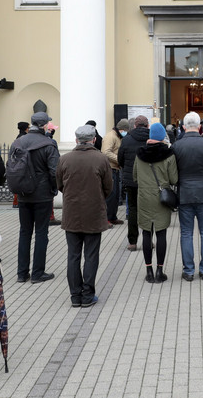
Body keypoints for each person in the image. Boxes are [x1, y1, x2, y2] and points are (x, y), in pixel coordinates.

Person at [56, 125, 112, 308]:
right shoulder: (101, 159)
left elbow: (60, 185)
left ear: (76, 139)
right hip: (93, 213)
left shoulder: (64, 159)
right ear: (94, 139)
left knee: (73, 255)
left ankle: (75, 295)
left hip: (72, 213)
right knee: (91, 255)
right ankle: (87, 294)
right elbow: (108, 187)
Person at [172, 111, 203, 281]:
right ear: (199, 127)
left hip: (185, 193)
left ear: (184, 127)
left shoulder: (176, 146)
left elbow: (173, 172)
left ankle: (188, 270)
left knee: (186, 232)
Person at [11, 111, 60, 283]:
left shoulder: (17, 142)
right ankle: (38, 273)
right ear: (45, 125)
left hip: (23, 193)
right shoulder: (48, 144)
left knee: (24, 233)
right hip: (42, 195)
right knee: (41, 233)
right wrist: (54, 189)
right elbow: (55, 172)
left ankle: (21, 273)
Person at [133, 122, 178, 283]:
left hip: (144, 197)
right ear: (162, 137)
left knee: (146, 232)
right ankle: (160, 270)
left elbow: (135, 176)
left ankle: (149, 271)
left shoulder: (139, 154)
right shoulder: (169, 155)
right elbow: (174, 179)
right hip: (161, 198)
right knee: (161, 233)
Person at [118, 115, 151, 251]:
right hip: (148, 181)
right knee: (148, 211)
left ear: (135, 126)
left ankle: (132, 242)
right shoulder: (151, 139)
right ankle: (148, 241)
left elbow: (120, 159)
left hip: (131, 180)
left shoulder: (127, 139)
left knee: (132, 209)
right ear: (147, 125)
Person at [102, 119, 128, 226]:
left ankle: (112, 217)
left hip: (116, 169)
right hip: (110, 168)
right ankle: (106, 219)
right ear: (121, 129)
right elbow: (105, 152)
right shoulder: (111, 137)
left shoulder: (117, 136)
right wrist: (119, 159)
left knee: (116, 195)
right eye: (125, 130)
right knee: (110, 195)